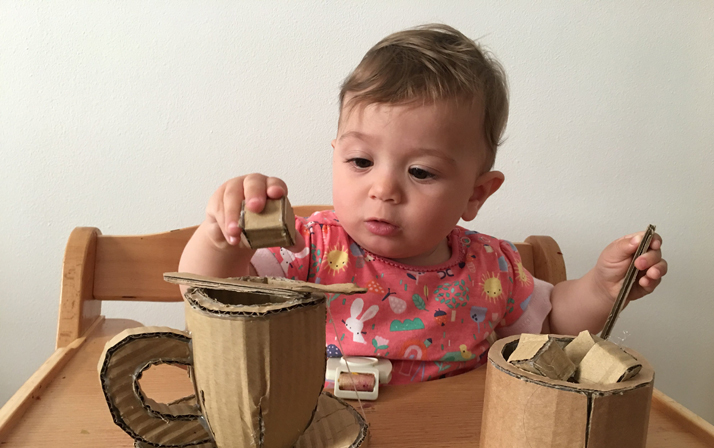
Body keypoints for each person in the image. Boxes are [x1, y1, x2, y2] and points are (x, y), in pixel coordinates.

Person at [179, 24, 667, 384]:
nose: (384, 189)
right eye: (361, 160)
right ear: (336, 157)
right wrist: (221, 237)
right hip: (318, 436)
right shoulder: (308, 249)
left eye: (421, 172)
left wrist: (603, 290)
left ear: (476, 193)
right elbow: (212, 295)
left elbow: (556, 320)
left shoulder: (491, 267)